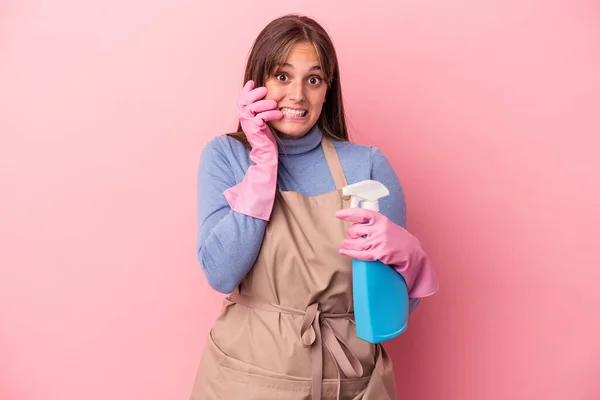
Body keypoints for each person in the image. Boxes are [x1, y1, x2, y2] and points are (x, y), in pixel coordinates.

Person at [190, 14, 439, 400]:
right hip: (245, 379)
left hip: (347, 381)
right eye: (282, 76)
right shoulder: (227, 157)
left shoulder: (367, 166)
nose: (297, 96)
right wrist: (263, 164)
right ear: (257, 82)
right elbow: (221, 273)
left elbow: (391, 312)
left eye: (313, 79)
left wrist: (409, 262)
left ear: (328, 89)